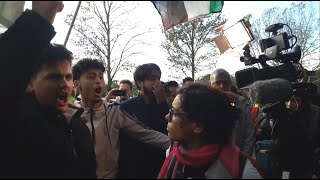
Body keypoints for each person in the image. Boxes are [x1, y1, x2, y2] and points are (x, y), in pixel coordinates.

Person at [0, 2, 96, 178]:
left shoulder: (79, 126)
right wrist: (40, 18)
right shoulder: (15, 120)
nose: (64, 84)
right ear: (29, 82)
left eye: (68, 77)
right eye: (54, 77)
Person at [72, 59, 170, 179]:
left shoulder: (115, 112)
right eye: (91, 77)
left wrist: (177, 146)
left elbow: (147, 133)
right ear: (76, 84)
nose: (98, 81)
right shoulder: (68, 115)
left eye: (101, 77)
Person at [158, 83, 263, 179]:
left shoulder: (241, 171)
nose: (167, 117)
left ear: (198, 126)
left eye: (174, 113)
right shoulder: (173, 152)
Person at [118, 63, 169, 179]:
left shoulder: (163, 104)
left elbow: (167, 130)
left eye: (158, 78)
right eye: (152, 79)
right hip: (133, 168)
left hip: (158, 166)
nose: (157, 83)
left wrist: (162, 104)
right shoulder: (126, 107)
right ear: (140, 82)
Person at [210, 68, 255, 156]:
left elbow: (249, 133)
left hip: (237, 156)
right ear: (211, 84)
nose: (222, 86)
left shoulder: (241, 103)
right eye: (217, 83)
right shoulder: (203, 104)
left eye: (225, 82)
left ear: (230, 84)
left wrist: (243, 159)